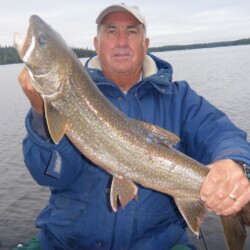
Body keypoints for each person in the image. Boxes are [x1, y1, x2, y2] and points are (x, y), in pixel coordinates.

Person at [17, 3, 250, 250]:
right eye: (110, 31)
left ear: (145, 44)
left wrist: (233, 163)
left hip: (158, 244)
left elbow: (221, 133)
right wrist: (41, 111)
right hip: (65, 242)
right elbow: (48, 174)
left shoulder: (180, 99)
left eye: (131, 31)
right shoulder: (60, 99)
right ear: (96, 44)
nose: (121, 41)